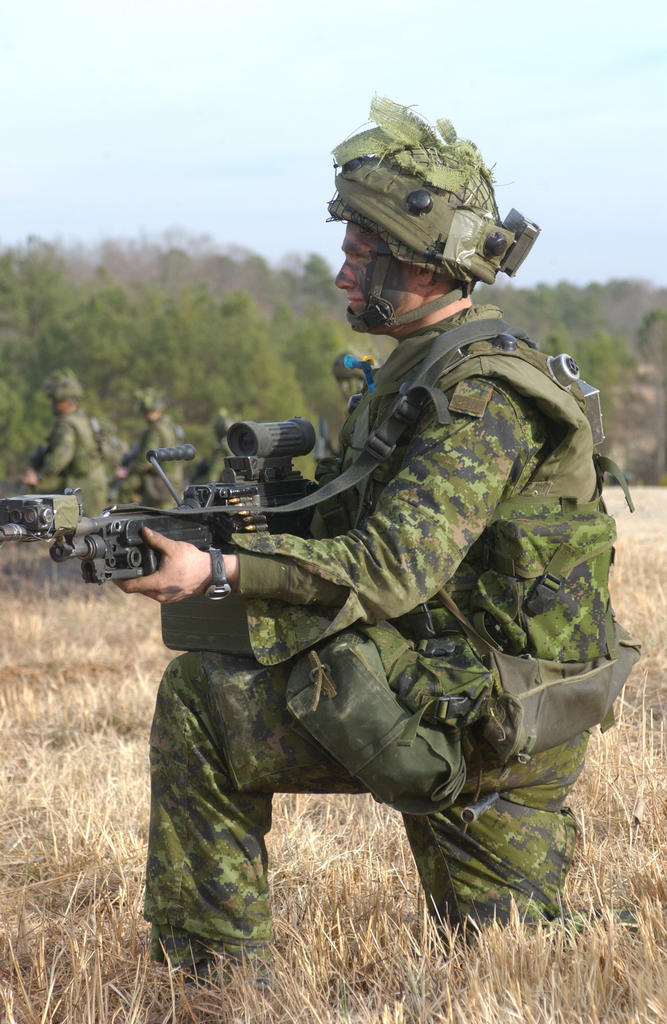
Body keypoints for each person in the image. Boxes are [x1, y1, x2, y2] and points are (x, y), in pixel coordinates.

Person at [117, 98, 638, 977]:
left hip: (477, 716)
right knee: (508, 951)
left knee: (200, 694)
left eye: (362, 257)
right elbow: (365, 525)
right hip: (484, 696)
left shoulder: (477, 397)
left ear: (421, 263)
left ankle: (209, 977)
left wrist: (222, 569)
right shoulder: (425, 371)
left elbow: (393, 567)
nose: (341, 276)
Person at [21, 369, 107, 515]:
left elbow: (60, 458)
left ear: (69, 401)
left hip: (82, 487)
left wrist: (39, 477)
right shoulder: (83, 419)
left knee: (29, 492)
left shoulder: (66, 425)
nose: (54, 404)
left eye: (58, 401)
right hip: (93, 484)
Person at [113, 388, 184, 507]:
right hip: (172, 479)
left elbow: (146, 461)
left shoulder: (155, 430)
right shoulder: (170, 426)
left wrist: (127, 470)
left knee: (125, 487)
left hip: (159, 482)